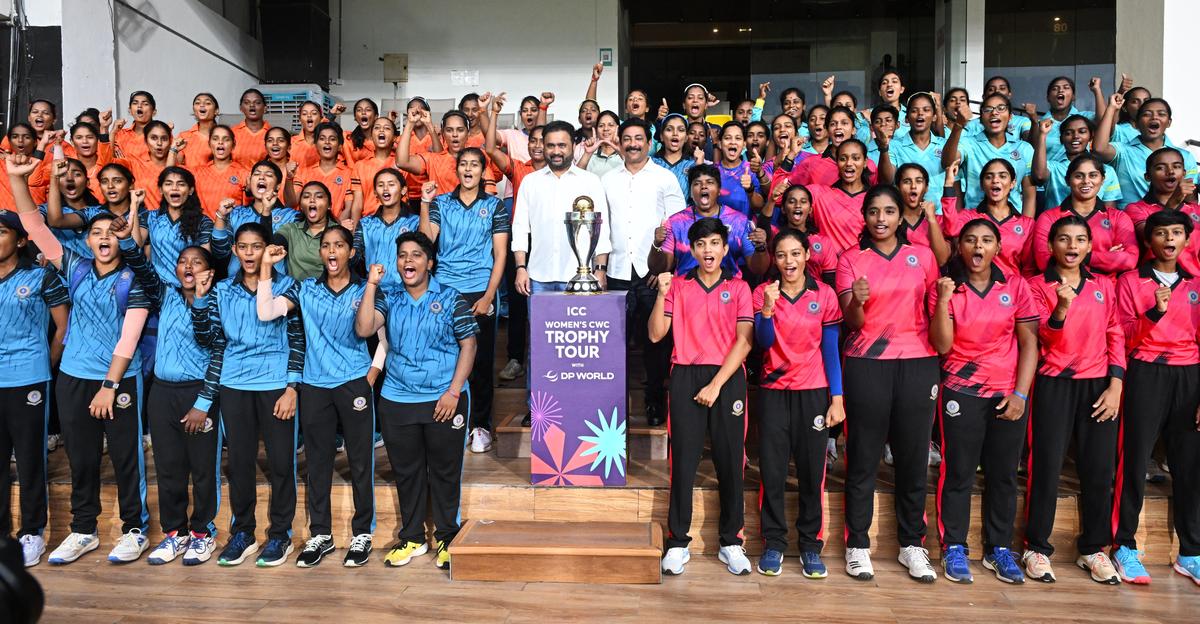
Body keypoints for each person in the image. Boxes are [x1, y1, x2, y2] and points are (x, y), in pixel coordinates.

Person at [8, 156, 154, 565]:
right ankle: (83, 529)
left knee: (127, 457)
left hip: (117, 381)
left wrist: (109, 386)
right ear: (87, 241)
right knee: (82, 457)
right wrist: (17, 178)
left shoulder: (135, 281)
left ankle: (134, 529)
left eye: (112, 231)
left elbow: (129, 339)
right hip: (73, 378)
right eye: (96, 231)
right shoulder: (74, 266)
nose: (103, 236)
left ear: (122, 238)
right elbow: (35, 226)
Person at [254, 231, 380, 568]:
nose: (332, 251)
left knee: (360, 460)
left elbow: (383, 335)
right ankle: (320, 533)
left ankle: (363, 532)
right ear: (320, 252)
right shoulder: (306, 287)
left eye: (339, 245)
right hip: (314, 385)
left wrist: (371, 374)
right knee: (318, 462)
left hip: (354, 382)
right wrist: (266, 267)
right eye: (326, 246)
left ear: (351, 252)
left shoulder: (365, 287)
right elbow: (266, 312)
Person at [355, 232, 478, 571]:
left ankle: (448, 538)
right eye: (403, 256)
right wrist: (370, 284)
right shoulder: (389, 296)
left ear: (430, 262)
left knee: (444, 471)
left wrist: (453, 391)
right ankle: (412, 538)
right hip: (397, 399)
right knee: (407, 473)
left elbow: (469, 345)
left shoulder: (451, 298)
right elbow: (365, 328)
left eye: (416, 255)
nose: (408, 261)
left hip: (444, 399)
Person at [837, 184, 940, 582]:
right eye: (874, 212)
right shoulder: (851, 259)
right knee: (863, 457)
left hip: (918, 362)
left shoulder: (924, 257)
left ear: (901, 216)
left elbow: (936, 313)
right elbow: (853, 322)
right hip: (867, 363)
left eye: (889, 212)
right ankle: (857, 545)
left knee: (913, 459)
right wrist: (858, 300)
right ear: (864, 217)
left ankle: (912, 545)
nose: (881, 219)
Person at [929, 218, 1038, 584]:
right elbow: (942, 346)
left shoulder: (1016, 286)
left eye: (986, 240)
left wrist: (1021, 394)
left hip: (1007, 393)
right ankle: (954, 547)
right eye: (971, 240)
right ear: (959, 246)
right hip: (960, 392)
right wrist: (944, 300)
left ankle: (998, 549)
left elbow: (1029, 344)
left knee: (1003, 476)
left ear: (998, 247)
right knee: (958, 473)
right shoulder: (946, 289)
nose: (978, 247)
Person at [192, 221, 303, 568]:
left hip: (274, 385)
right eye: (243, 246)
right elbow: (209, 339)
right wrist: (198, 299)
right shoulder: (222, 290)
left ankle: (281, 534)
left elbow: (298, 339)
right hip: (234, 385)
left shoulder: (288, 286)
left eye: (257, 246)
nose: (250, 253)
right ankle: (243, 533)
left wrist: (291, 387)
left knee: (282, 462)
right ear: (236, 251)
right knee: (239, 464)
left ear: (267, 249)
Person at [1022, 215, 1125, 585]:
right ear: (1050, 246)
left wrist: (1116, 385)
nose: (1071, 247)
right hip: (1054, 383)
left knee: (1099, 471)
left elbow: (1115, 333)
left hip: (1098, 386)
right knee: (1046, 467)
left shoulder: (1103, 287)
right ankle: (1036, 547)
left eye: (1079, 239)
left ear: (1089, 246)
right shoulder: (1036, 286)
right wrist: (1061, 308)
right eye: (1063, 239)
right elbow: (1041, 341)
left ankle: (1093, 549)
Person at [651, 217, 754, 577]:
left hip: (726, 377)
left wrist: (715, 385)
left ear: (725, 249)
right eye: (700, 244)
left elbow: (744, 342)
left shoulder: (740, 288)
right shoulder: (678, 286)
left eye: (714, 243)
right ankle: (678, 542)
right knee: (683, 462)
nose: (707, 250)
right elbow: (655, 334)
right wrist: (661, 294)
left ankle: (731, 542)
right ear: (692, 250)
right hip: (685, 375)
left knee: (730, 462)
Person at [116, 234, 221, 567]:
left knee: (202, 469)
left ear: (210, 271)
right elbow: (142, 269)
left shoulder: (220, 300)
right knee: (169, 467)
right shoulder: (165, 295)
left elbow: (215, 347)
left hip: (199, 393)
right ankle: (176, 532)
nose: (188, 266)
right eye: (183, 261)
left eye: (197, 262)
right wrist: (126, 242)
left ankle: (203, 533)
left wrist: (203, 402)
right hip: (163, 392)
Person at [1110, 209, 1200, 585]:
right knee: (1134, 461)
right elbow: (1125, 335)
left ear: (1186, 240)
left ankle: (1191, 552)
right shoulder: (1132, 281)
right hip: (1145, 370)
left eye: (1176, 233)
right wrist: (1155, 312)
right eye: (1161, 233)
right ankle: (1125, 546)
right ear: (1149, 241)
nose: (1168, 240)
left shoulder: (1197, 283)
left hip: (1190, 375)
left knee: (1191, 467)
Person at [753, 229, 843, 578]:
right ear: (773, 259)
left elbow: (831, 350)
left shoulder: (825, 294)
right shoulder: (764, 292)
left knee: (811, 473)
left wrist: (837, 398)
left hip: (813, 392)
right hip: (774, 391)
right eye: (781, 255)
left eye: (795, 254)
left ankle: (809, 546)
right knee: (773, 472)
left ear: (807, 255)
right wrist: (767, 310)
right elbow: (763, 341)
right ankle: (774, 543)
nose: (788, 261)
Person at [418, 148, 509, 453]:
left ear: (484, 172)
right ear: (455, 170)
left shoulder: (494, 206)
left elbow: (500, 256)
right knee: (444, 357)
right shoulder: (442, 203)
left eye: (475, 165)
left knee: (481, 363)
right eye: (463, 164)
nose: (468, 169)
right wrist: (425, 202)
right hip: (445, 291)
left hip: (479, 291)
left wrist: (487, 296)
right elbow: (425, 241)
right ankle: (443, 419)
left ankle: (480, 425)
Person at [0, 191, 70, 567]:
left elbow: (62, 326)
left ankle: (32, 533)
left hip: (27, 379)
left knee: (29, 460)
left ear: (20, 239)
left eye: (1, 232)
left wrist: (47, 363)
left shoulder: (40, 276)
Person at [604, 118, 686, 427]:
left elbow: (678, 225)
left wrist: (664, 266)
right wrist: (600, 267)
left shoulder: (665, 178)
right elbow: (601, 225)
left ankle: (654, 403)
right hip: (614, 271)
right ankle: (613, 406)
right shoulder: (607, 179)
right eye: (627, 138)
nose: (633, 144)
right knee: (613, 345)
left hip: (652, 274)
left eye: (639, 138)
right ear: (620, 142)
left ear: (649, 143)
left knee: (656, 346)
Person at [512, 120, 610, 295]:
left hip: (580, 277)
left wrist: (600, 270)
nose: (556, 151)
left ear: (573, 145)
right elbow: (519, 228)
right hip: (538, 277)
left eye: (562, 145)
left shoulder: (590, 181)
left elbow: (601, 230)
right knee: (538, 324)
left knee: (579, 324)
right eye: (550, 145)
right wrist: (520, 267)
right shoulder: (530, 182)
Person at [649, 164, 767, 278]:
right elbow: (659, 269)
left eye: (710, 182)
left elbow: (758, 269)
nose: (703, 186)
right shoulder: (675, 222)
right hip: (685, 293)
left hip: (727, 293)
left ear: (719, 190)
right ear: (690, 192)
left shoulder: (738, 221)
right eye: (697, 183)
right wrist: (656, 244)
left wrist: (761, 248)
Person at [1032, 155, 1137, 275]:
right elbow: (1044, 261)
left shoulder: (1118, 217)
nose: (1086, 181)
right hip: (1061, 287)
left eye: (1093, 175)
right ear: (1067, 180)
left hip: (1107, 291)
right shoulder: (1049, 218)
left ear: (1103, 180)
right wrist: (1107, 258)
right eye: (1078, 176)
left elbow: (1130, 261)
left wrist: (1076, 256)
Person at [1093, 92, 1199, 208]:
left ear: (1169, 122)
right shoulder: (1123, 151)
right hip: (1129, 222)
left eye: (1161, 114)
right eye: (1147, 114)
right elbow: (1099, 149)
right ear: (1137, 123)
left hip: (1171, 222)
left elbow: (1191, 202)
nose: (1154, 117)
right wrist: (1111, 108)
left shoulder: (1185, 156)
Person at [943, 93, 1035, 215]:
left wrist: (1026, 226)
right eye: (988, 109)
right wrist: (958, 126)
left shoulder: (1024, 148)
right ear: (980, 118)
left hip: (1013, 222)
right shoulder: (968, 144)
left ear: (1010, 116)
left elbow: (1029, 192)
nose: (994, 113)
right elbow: (948, 163)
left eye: (1001, 108)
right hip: (975, 221)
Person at [945, 159, 1034, 278]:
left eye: (1002, 176)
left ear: (1013, 183)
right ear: (982, 185)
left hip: (1011, 290)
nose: (995, 180)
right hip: (974, 288)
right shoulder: (969, 217)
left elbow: (1029, 269)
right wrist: (948, 185)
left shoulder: (1026, 224)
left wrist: (1022, 292)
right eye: (989, 177)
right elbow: (951, 229)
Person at [1125, 147, 1200, 274]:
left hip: (1193, 285)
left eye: (1176, 167)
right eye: (1161, 168)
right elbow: (1151, 236)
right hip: (1153, 283)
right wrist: (1174, 202)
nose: (1170, 171)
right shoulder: (1136, 209)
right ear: (1147, 176)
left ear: (1184, 173)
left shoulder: (1196, 210)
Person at [216, 161, 299, 275]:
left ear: (278, 186)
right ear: (250, 181)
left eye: (269, 175)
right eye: (257, 174)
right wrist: (220, 216)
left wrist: (266, 211)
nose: (262, 177)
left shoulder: (290, 216)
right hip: (237, 286)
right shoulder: (236, 213)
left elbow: (272, 249)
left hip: (275, 286)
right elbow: (220, 251)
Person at [141, 167, 219, 285]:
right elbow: (139, 250)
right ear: (161, 190)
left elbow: (205, 260)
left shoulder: (203, 222)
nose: (174, 188)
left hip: (189, 287)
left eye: (181, 184)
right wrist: (134, 206)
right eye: (168, 184)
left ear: (190, 190)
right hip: (158, 289)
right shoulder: (150, 217)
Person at [354, 168, 419, 289]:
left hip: (406, 291)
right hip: (374, 290)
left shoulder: (415, 222)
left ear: (403, 190)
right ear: (375, 192)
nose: (385, 189)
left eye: (391, 184)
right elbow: (355, 258)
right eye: (380, 185)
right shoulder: (365, 224)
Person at [880, 93, 947, 202]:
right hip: (904, 213)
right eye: (914, 111)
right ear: (906, 118)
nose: (920, 114)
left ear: (934, 116)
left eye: (926, 110)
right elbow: (887, 180)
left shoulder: (944, 145)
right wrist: (883, 148)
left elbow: (954, 182)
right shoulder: (893, 145)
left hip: (938, 214)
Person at [290, 122, 356, 221]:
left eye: (332, 139)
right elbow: (293, 201)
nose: (327, 142)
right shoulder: (303, 172)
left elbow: (348, 208)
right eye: (322, 138)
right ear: (316, 145)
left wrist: (334, 227)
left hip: (335, 229)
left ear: (340, 146)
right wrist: (288, 178)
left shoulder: (349, 173)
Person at [275, 181, 339, 280]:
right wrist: (266, 212)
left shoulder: (339, 233)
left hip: (326, 293)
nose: (312, 200)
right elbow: (271, 245)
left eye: (319, 196)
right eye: (306, 196)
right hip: (295, 293)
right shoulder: (291, 229)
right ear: (300, 205)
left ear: (329, 205)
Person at [1040, 76, 1106, 163]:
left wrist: (1097, 90)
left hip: (1082, 171)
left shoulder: (1084, 118)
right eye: (1055, 88)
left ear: (1073, 97)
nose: (1060, 90)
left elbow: (1104, 122)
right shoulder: (1040, 125)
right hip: (1053, 174)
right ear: (1048, 98)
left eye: (1066, 87)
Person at [192, 125, 250, 220]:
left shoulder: (243, 174)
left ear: (233, 145)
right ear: (209, 144)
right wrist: (173, 150)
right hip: (203, 230)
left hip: (231, 230)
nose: (220, 142)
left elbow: (247, 209)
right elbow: (170, 176)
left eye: (226, 139)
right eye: (215, 139)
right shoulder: (197, 172)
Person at [713, 122, 765, 219]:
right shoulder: (711, 172)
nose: (733, 142)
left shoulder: (752, 170)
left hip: (742, 230)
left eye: (738, 138)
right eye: (728, 138)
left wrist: (750, 190)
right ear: (720, 144)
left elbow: (759, 206)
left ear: (744, 144)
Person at [352, 116, 398, 218]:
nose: (381, 130)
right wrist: (355, 232)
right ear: (372, 136)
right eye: (377, 128)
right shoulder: (360, 166)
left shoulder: (401, 164)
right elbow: (357, 204)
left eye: (387, 128)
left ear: (395, 137)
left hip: (396, 222)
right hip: (369, 222)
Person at [651, 114, 697, 197]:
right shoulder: (651, 163)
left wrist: (699, 167)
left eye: (681, 130)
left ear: (686, 138)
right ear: (661, 136)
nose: (675, 133)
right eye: (669, 129)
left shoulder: (693, 165)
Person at [112, 91, 157, 164]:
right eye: (135, 103)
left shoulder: (161, 135)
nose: (139, 106)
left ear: (154, 111)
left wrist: (126, 163)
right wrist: (112, 133)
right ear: (130, 110)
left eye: (145, 104)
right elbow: (107, 161)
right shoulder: (120, 135)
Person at [175, 92, 218, 168]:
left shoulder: (225, 135)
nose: (202, 105)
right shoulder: (184, 136)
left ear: (216, 111)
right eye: (197, 103)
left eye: (207, 103)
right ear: (194, 110)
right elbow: (176, 165)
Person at [231, 89, 271, 169]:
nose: (252, 105)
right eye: (246, 102)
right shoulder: (231, 133)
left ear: (265, 108)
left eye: (257, 102)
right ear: (241, 108)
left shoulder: (272, 134)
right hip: (234, 179)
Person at [576, 111, 624, 178]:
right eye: (601, 126)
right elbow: (575, 178)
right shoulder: (589, 154)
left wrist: (621, 152)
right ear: (596, 130)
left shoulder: (625, 152)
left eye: (611, 125)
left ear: (618, 129)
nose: (606, 129)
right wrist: (587, 154)